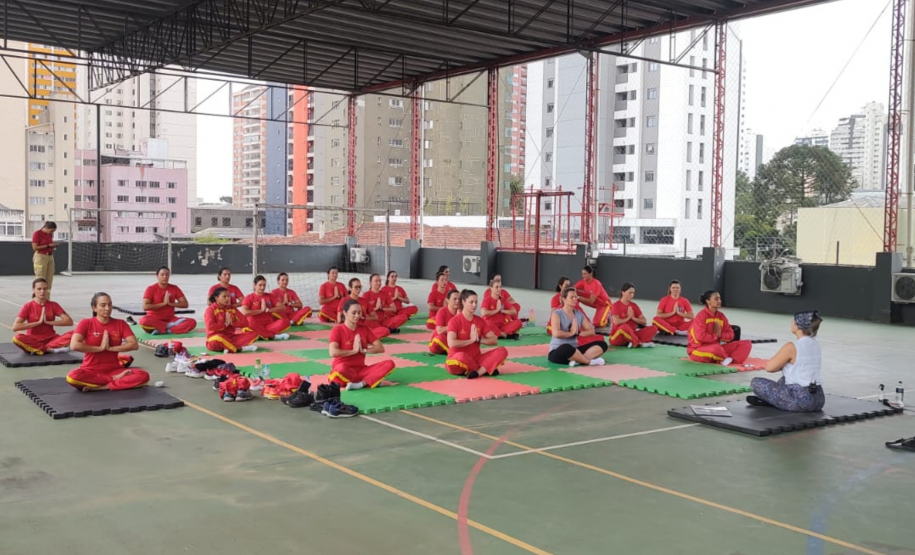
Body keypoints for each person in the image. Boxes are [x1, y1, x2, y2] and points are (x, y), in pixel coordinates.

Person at [66, 293, 149, 392]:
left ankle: (103, 387)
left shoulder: (120, 324)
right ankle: (113, 381)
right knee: (72, 376)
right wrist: (100, 348)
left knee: (143, 375)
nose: (107, 308)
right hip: (90, 371)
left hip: (114, 370)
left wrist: (111, 348)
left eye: (110, 305)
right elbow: (74, 345)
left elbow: (134, 344)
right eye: (103, 305)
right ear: (94, 308)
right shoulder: (86, 323)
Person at [747, 311, 825, 412]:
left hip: (801, 401)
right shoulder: (815, 344)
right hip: (819, 400)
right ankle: (777, 401)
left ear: (797, 326)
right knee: (785, 378)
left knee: (755, 383)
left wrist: (781, 364)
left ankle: (774, 401)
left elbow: (769, 367)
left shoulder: (792, 346)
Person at [328, 298, 396, 390]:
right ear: (345, 313)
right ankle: (370, 380)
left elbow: (380, 348)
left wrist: (363, 350)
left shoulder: (364, 329)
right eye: (354, 313)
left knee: (389, 364)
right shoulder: (337, 330)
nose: (357, 316)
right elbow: (333, 352)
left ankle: (361, 384)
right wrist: (354, 351)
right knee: (341, 368)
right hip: (342, 372)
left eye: (359, 312)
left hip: (361, 371)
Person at [445, 289, 508, 379]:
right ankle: (485, 369)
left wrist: (479, 339)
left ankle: (477, 372)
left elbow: (494, 340)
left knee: (502, 351)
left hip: (476, 359)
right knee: (462, 356)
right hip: (456, 360)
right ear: (463, 302)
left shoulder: (479, 321)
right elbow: (451, 343)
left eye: (476, 302)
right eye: (471, 302)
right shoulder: (454, 321)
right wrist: (471, 340)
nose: (474, 305)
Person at [687, 290, 752, 365]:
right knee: (716, 349)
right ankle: (724, 358)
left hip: (717, 347)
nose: (719, 301)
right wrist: (715, 336)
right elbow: (700, 337)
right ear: (708, 301)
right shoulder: (701, 316)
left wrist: (720, 335)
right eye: (716, 299)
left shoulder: (721, 316)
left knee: (746, 344)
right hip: (697, 350)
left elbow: (731, 335)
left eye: (719, 299)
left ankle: (726, 359)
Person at [12, 278, 74, 355]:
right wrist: (38, 322)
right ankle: (50, 350)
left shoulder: (53, 305)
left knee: (76, 333)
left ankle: (43, 348)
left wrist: (48, 322)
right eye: (39, 289)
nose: (42, 291)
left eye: (45, 289)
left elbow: (69, 322)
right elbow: (15, 327)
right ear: (33, 289)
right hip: (33, 340)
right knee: (17, 338)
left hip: (52, 339)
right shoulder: (28, 306)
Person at [548, 287, 608, 367]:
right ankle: (589, 362)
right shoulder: (557, 314)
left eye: (576, 297)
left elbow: (591, 331)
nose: (574, 299)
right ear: (564, 299)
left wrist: (578, 333)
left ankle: (578, 360)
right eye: (571, 297)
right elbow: (556, 334)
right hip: (558, 352)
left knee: (602, 344)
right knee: (566, 347)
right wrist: (572, 333)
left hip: (575, 350)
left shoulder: (578, 314)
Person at [139, 267, 197, 335]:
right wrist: (163, 304)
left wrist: (170, 303)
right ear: (157, 276)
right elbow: (145, 307)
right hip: (154, 320)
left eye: (167, 275)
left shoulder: (174, 288)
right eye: (162, 275)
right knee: (143, 321)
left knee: (192, 322)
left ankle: (165, 330)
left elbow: (185, 304)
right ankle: (169, 328)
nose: (165, 277)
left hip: (171, 320)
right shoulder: (151, 289)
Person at [204, 287, 259, 353]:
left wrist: (232, 323)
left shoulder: (232, 309)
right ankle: (240, 348)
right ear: (216, 298)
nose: (227, 298)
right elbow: (210, 326)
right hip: (215, 338)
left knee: (253, 333)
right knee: (219, 338)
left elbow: (245, 322)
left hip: (231, 337)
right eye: (224, 296)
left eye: (228, 296)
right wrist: (225, 324)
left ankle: (228, 347)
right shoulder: (210, 310)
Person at [241, 275, 291, 341]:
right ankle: (273, 336)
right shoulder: (249, 297)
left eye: (264, 285)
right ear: (254, 285)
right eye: (260, 285)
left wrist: (268, 310)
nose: (262, 287)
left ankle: (261, 334)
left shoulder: (270, 296)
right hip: (255, 324)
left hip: (269, 325)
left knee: (285, 322)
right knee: (249, 324)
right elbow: (244, 312)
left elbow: (282, 307)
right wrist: (261, 311)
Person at [609, 283, 658, 348]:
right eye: (629, 293)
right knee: (624, 327)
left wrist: (633, 318)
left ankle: (632, 341)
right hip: (617, 338)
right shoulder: (615, 305)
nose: (632, 295)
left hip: (632, 335)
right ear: (623, 292)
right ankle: (639, 343)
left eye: (633, 293)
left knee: (653, 328)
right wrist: (628, 317)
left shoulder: (634, 305)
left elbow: (644, 321)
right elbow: (616, 322)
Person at [429, 290, 460, 354]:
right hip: (439, 342)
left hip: (453, 340)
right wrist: (454, 324)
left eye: (459, 299)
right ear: (447, 300)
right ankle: (454, 352)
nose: (457, 301)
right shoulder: (442, 311)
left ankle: (454, 351)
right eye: (455, 299)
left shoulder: (461, 312)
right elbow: (440, 331)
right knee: (440, 338)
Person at [32, 221, 58, 293]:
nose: (51, 232)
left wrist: (52, 246)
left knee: (49, 279)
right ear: (46, 228)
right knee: (40, 279)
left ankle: (47, 299)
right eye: (51, 231)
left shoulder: (50, 235)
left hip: (49, 256)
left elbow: (49, 243)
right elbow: (35, 247)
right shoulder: (37, 234)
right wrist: (48, 246)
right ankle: (37, 299)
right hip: (40, 257)